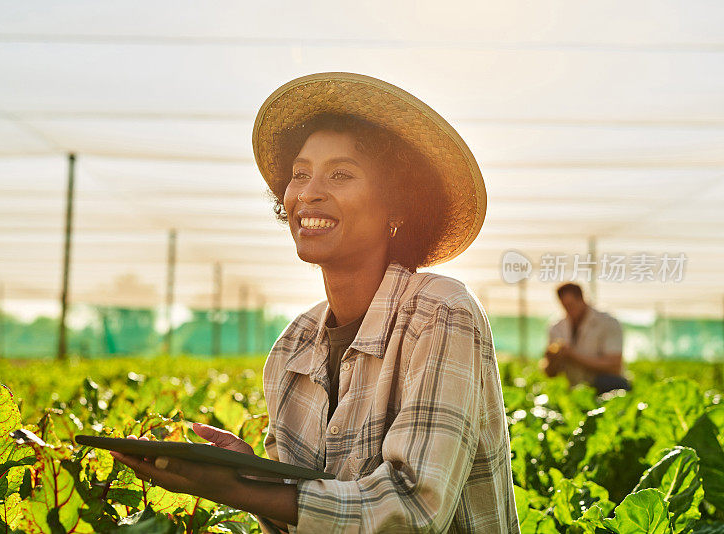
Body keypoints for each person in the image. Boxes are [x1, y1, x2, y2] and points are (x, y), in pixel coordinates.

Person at [112, 72, 519, 533]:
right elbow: (295, 519)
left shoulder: (441, 312)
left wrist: (234, 490)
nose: (308, 193)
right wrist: (247, 471)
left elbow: (413, 512)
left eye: (341, 174)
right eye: (299, 174)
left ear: (400, 205)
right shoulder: (291, 350)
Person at [542, 282, 629, 393]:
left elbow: (614, 366)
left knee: (608, 383)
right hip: (574, 389)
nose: (568, 310)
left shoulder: (608, 322)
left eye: (571, 305)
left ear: (582, 299)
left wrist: (572, 355)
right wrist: (552, 359)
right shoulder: (556, 327)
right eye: (564, 306)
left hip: (605, 387)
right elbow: (550, 374)